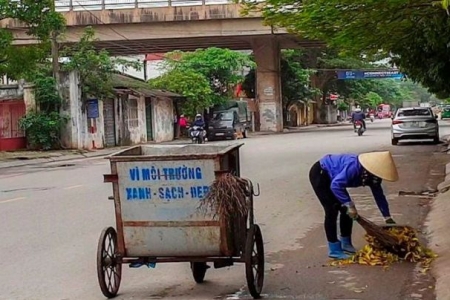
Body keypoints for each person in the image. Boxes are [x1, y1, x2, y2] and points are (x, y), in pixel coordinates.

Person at [309, 151, 399, 260]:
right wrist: (349, 204)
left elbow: (379, 196)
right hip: (321, 174)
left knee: (346, 211)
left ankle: (346, 243)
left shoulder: (373, 177)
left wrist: (387, 217)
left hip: (334, 180)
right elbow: (336, 185)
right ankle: (334, 249)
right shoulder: (354, 167)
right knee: (331, 210)